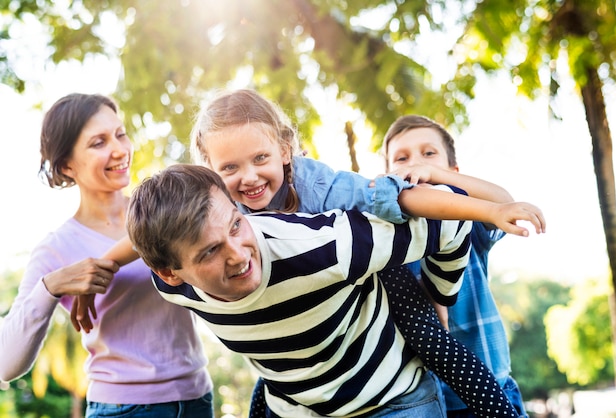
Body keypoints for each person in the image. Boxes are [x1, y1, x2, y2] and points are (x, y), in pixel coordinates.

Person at [74, 89, 545, 416]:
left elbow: (395, 198)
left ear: (285, 149)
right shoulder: (217, 202)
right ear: (212, 170)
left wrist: (488, 210)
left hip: (371, 274)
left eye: (261, 159)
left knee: (435, 344)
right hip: (294, 320)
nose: (250, 178)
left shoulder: (320, 183)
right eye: (231, 167)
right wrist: (106, 265)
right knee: (279, 377)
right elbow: (152, 233)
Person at [127, 163, 476, 417]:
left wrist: (438, 297)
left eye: (236, 225)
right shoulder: (173, 287)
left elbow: (452, 219)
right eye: (210, 251)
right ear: (172, 273)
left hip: (391, 402)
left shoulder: (323, 247)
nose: (237, 255)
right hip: (295, 410)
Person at [0, 94, 214, 418]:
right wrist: (51, 286)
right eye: (98, 142)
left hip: (198, 397)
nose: (119, 150)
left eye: (120, 134)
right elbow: (6, 362)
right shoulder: (57, 247)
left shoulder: (161, 212)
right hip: (122, 409)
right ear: (66, 166)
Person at [383, 114, 529, 417]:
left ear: (454, 171)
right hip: (425, 404)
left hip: (493, 388)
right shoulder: (386, 242)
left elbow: (503, 204)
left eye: (428, 154)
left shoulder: (469, 221)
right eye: (401, 158)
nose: (415, 164)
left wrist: (439, 177)